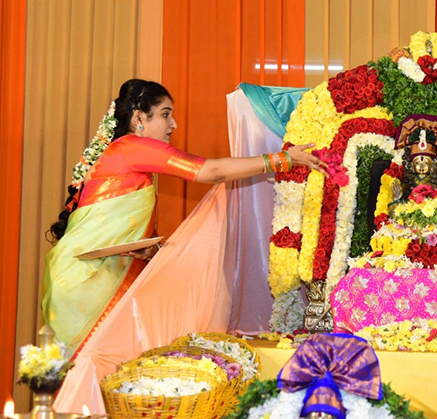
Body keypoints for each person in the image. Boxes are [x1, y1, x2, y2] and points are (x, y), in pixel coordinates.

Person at [42, 79, 324, 351]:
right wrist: (283, 159)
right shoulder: (131, 148)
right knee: (97, 369)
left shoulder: (120, 154)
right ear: (140, 117)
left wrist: (148, 249)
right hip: (90, 284)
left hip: (85, 276)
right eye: (165, 115)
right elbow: (209, 171)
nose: (173, 125)